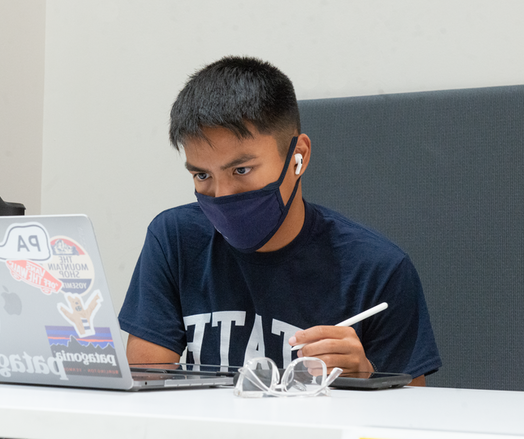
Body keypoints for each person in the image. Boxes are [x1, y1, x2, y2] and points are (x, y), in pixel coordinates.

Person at [117, 56, 441, 386]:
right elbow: (145, 387)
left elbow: (410, 418)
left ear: (298, 156)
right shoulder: (175, 239)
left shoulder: (379, 269)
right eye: (202, 175)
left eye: (241, 170)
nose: (223, 194)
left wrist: (367, 379)